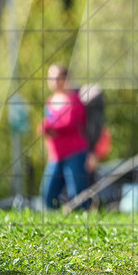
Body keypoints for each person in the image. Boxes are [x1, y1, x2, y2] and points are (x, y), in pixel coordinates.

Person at [38, 64, 90, 210]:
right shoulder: (49, 101)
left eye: (57, 78)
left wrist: (49, 127)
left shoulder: (74, 99)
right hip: (55, 155)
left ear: (65, 79)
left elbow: (70, 123)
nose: (53, 81)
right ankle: (54, 226)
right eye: (51, 78)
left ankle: (81, 225)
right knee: (47, 194)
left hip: (74, 152)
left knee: (77, 194)